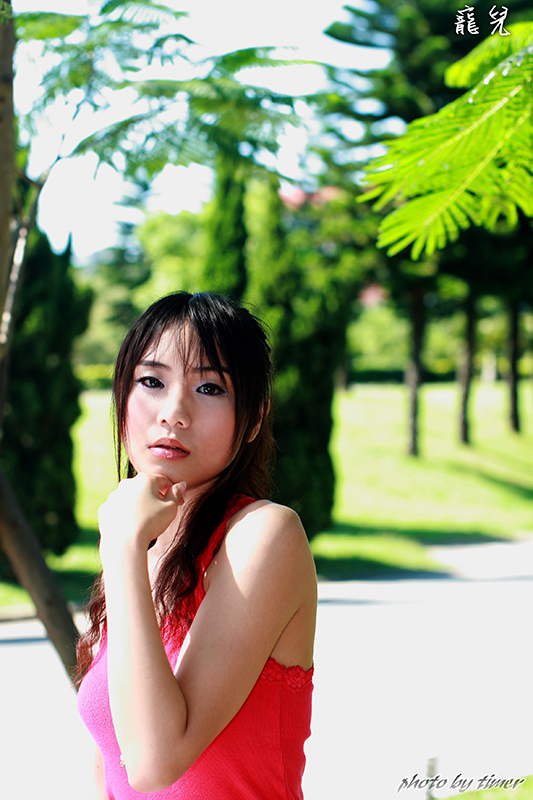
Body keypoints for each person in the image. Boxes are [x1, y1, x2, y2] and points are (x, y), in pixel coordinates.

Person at [76, 291, 317, 800]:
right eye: (150, 382)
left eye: (209, 387)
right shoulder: (141, 548)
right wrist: (129, 551)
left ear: (253, 418)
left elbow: (155, 762)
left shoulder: (264, 536)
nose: (173, 412)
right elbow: (109, 776)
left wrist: (121, 549)